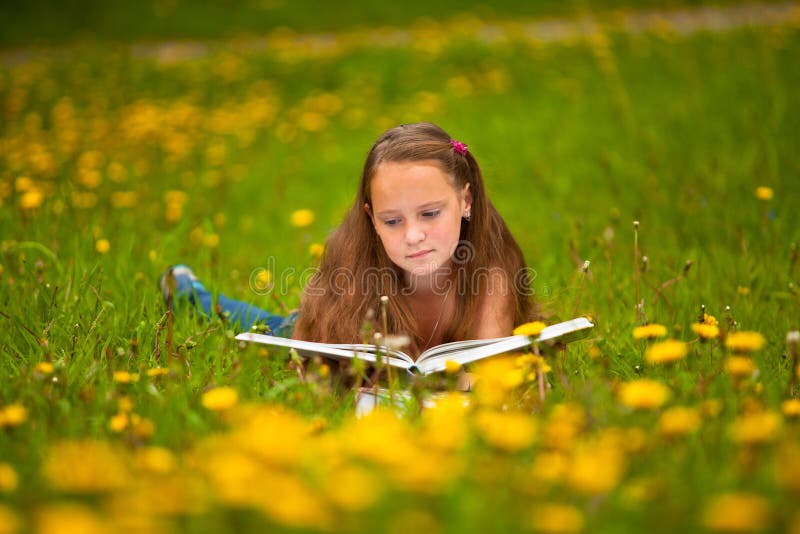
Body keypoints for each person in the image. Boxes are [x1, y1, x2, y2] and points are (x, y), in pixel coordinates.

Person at [162, 122, 536, 357]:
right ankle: (188, 292)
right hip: (314, 330)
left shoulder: (492, 268)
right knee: (260, 325)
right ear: (372, 219)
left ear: (465, 201)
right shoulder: (354, 263)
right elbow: (316, 361)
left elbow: (491, 365)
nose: (413, 235)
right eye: (392, 221)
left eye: (430, 213)